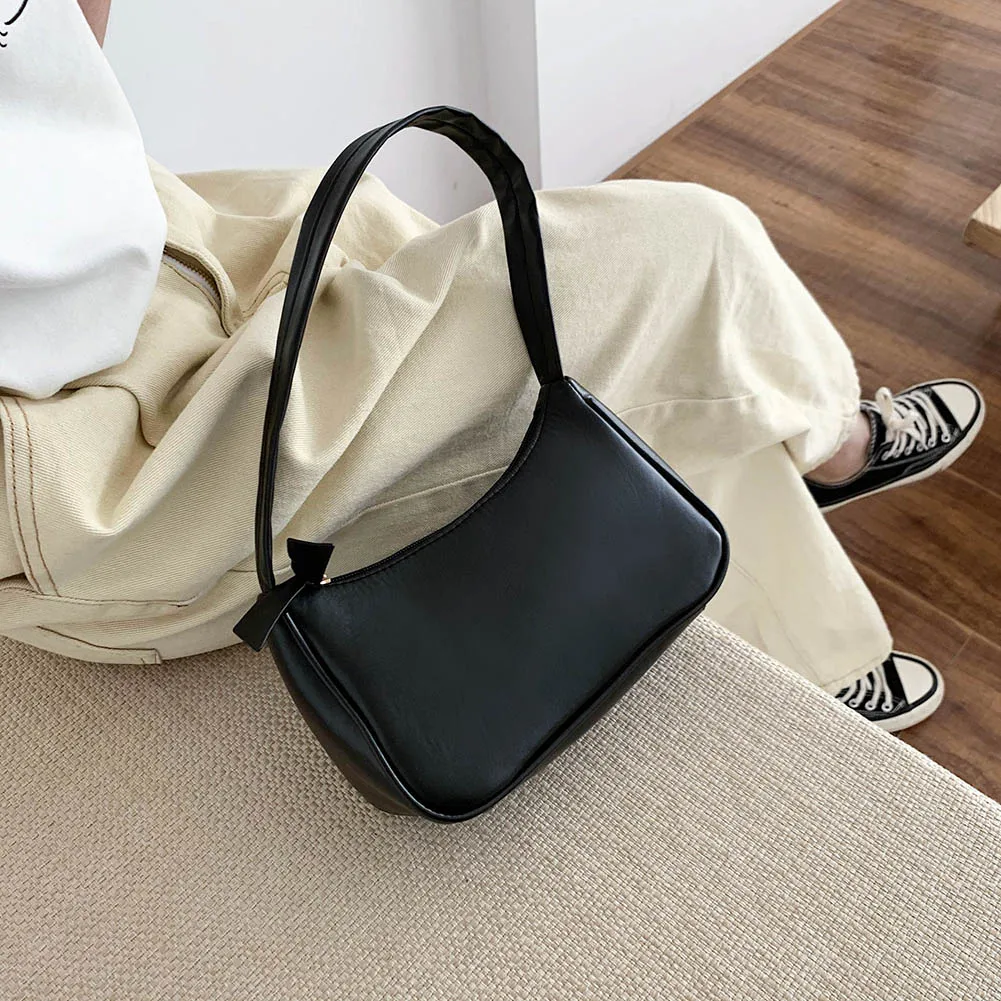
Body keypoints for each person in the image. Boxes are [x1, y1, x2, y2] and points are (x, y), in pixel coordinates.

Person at [0, 0, 984, 734]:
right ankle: (827, 473)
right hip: (83, 459)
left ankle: (803, 534)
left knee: (550, 326)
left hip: (147, 226)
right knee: (684, 250)